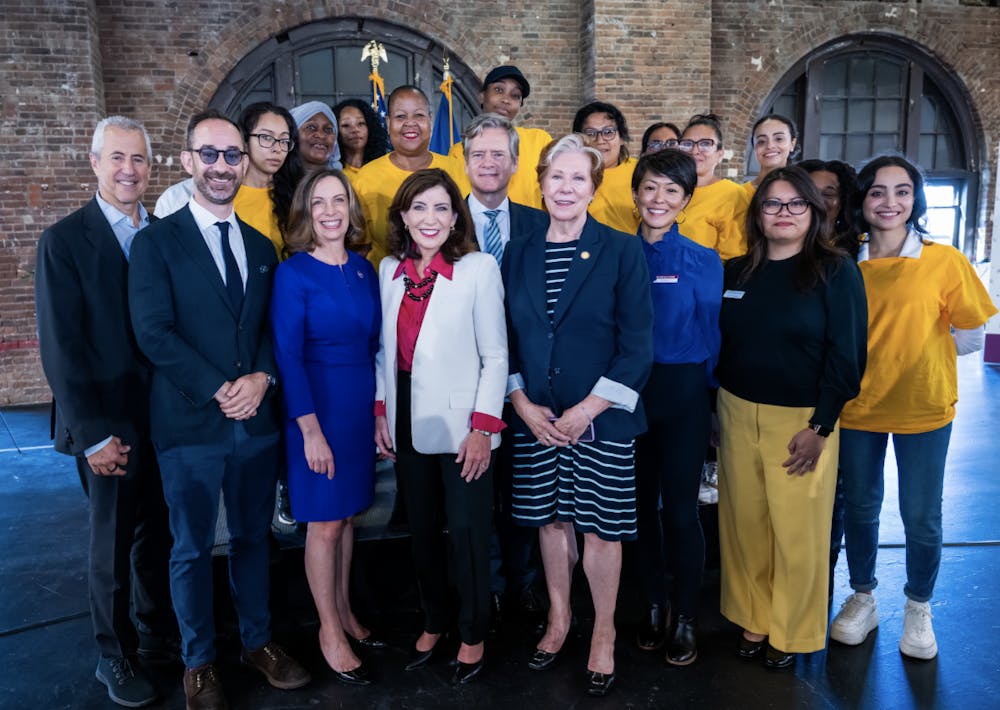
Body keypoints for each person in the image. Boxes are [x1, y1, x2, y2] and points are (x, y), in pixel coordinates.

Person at [128, 109, 310, 710]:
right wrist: (217, 387)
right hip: (190, 424)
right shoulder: (156, 241)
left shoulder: (261, 246)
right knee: (190, 546)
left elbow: (265, 329)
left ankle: (258, 644)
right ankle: (198, 662)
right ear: (187, 162)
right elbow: (154, 333)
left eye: (232, 155)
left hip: (254, 421)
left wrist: (261, 377)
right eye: (210, 154)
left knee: (255, 538)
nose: (222, 166)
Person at [503, 134, 653, 697]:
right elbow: (508, 339)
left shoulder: (621, 249)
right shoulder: (516, 252)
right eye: (556, 177)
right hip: (537, 420)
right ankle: (560, 619)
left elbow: (638, 346)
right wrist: (520, 401)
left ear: (594, 188)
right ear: (539, 183)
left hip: (602, 422)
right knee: (551, 521)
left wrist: (588, 409)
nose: (565, 188)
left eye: (578, 179)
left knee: (601, 530)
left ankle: (604, 633)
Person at [830, 155, 997, 660]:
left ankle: (918, 606)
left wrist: (921, 355)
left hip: (923, 407)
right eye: (878, 192)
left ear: (915, 200)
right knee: (859, 507)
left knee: (921, 515)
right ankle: (862, 596)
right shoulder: (842, 260)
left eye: (902, 192)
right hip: (857, 408)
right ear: (862, 200)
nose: (889, 202)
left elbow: (970, 335)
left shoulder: (943, 260)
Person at [35, 116, 175, 708]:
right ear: (94, 163)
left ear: (151, 166)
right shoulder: (64, 241)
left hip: (165, 416)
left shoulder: (167, 234)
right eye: (116, 158)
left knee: (158, 536)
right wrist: (93, 437)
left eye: (138, 159)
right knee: (111, 545)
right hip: (104, 424)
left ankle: (154, 632)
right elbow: (61, 349)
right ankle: (112, 655)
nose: (128, 170)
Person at [716, 166, 867, 669]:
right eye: (771, 204)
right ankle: (754, 617)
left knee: (798, 533)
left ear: (814, 211)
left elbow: (847, 357)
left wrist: (821, 426)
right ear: (757, 215)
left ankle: (793, 632)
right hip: (736, 411)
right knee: (745, 527)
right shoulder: (736, 271)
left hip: (802, 420)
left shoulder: (836, 270)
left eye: (794, 203)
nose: (783, 213)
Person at [373, 168, 507, 686]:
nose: (430, 218)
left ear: (456, 219)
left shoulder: (477, 268)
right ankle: (434, 619)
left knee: (469, 533)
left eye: (441, 209)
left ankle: (473, 633)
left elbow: (495, 355)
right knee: (422, 529)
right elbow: (385, 351)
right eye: (419, 208)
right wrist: (381, 410)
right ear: (403, 216)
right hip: (406, 416)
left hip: (463, 421)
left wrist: (482, 427)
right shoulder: (389, 269)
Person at [270, 169, 381, 686]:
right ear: (305, 212)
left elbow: (375, 348)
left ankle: (346, 610)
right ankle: (328, 630)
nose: (331, 211)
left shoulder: (363, 270)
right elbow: (288, 357)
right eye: (320, 202)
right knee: (325, 522)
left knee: (349, 517)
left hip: (358, 409)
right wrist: (310, 431)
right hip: (315, 410)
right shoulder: (293, 273)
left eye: (340, 200)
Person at [631, 149, 722, 665]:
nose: (658, 199)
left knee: (683, 514)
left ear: (686, 200)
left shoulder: (704, 261)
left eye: (671, 191)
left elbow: (712, 335)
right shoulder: (617, 253)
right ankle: (651, 605)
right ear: (636, 192)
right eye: (650, 188)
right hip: (628, 395)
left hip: (684, 393)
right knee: (639, 511)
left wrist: (710, 405)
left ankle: (686, 615)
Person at [461, 112, 549, 632]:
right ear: (465, 162)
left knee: (525, 485)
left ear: (515, 163)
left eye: (499, 154)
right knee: (476, 490)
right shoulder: (444, 220)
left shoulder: (540, 223)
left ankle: (525, 581)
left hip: (528, 383)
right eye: (480, 154)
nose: (489, 162)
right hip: (464, 382)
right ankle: (487, 585)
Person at [353, 85, 468, 266]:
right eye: (401, 116)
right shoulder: (365, 178)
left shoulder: (458, 170)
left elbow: (468, 233)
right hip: (387, 284)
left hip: (451, 279)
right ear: (389, 122)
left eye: (419, 115)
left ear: (430, 120)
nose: (410, 123)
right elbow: (360, 247)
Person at [449, 65, 552, 209]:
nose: (506, 100)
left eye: (515, 95)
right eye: (498, 90)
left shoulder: (539, 141)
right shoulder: (458, 152)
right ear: (482, 96)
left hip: (529, 229)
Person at [676, 113, 751, 260]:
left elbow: (735, 256)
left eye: (705, 144)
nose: (695, 151)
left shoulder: (733, 194)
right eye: (688, 144)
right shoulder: (669, 190)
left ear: (720, 153)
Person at [235, 102, 304, 255]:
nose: (277, 148)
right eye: (266, 137)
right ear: (244, 141)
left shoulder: (298, 194)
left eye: (284, 141)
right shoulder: (225, 196)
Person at [572, 101, 639, 234]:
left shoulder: (640, 172)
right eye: (590, 133)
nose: (600, 140)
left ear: (622, 138)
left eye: (608, 132)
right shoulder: (570, 175)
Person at [799, 159, 860, 256]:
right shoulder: (781, 244)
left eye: (828, 194)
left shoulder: (859, 250)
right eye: (810, 192)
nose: (817, 200)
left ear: (843, 202)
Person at [333, 98, 390, 180]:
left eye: (360, 123)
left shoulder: (385, 169)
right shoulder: (333, 173)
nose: (355, 130)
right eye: (346, 125)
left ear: (370, 127)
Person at [745, 114, 798, 194]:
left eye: (778, 139)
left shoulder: (803, 192)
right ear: (754, 147)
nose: (770, 146)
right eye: (761, 141)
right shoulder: (739, 194)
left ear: (792, 144)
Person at [290, 101, 342, 172]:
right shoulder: (275, 180)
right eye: (311, 127)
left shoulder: (339, 181)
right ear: (293, 134)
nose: (321, 135)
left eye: (328, 129)